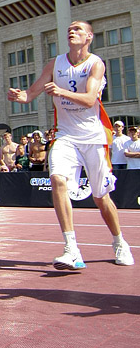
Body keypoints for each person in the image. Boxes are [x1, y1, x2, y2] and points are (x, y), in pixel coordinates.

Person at [8, 20, 134, 269]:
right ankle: (71, 249)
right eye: (69, 29)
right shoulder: (56, 64)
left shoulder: (95, 64)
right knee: (57, 180)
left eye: (78, 29)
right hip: (65, 135)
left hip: (93, 137)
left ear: (89, 36)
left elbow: (89, 100)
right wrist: (20, 96)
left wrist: (61, 92)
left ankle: (120, 242)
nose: (72, 31)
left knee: (101, 198)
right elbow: (30, 94)